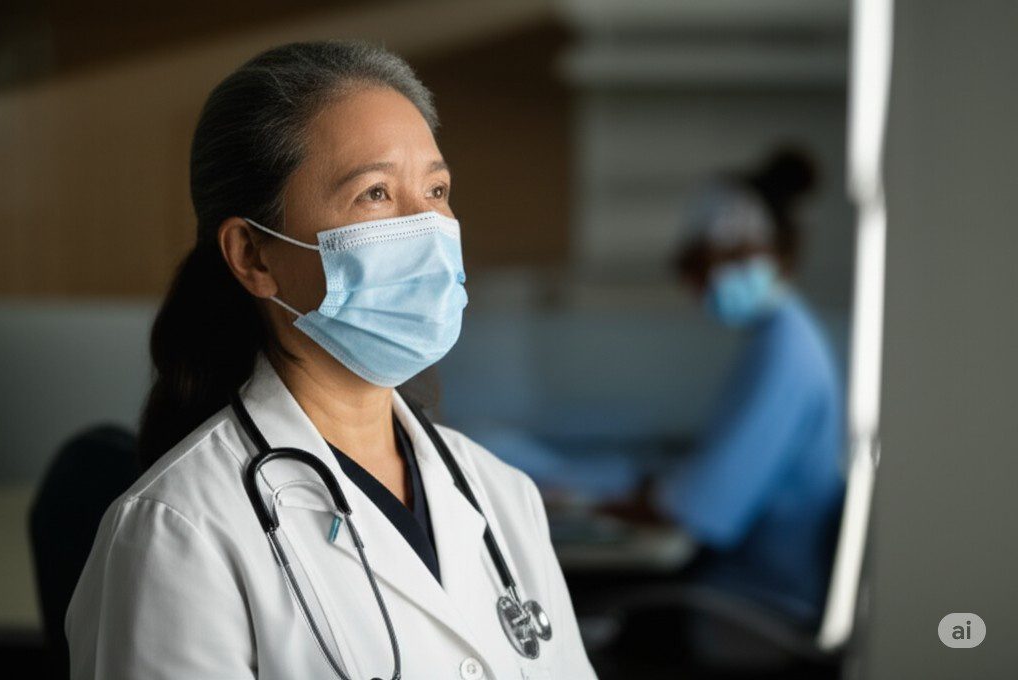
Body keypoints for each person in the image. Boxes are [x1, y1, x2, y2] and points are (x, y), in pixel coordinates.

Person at [65, 41, 596, 680]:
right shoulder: (177, 532)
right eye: (374, 194)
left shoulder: (500, 495)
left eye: (435, 187)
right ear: (254, 257)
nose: (427, 228)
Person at [624, 147, 846, 629]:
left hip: (753, 607)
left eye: (712, 266)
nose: (702, 287)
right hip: (750, 587)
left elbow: (696, 511)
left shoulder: (786, 350)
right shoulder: (785, 335)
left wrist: (593, 497)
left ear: (770, 254)